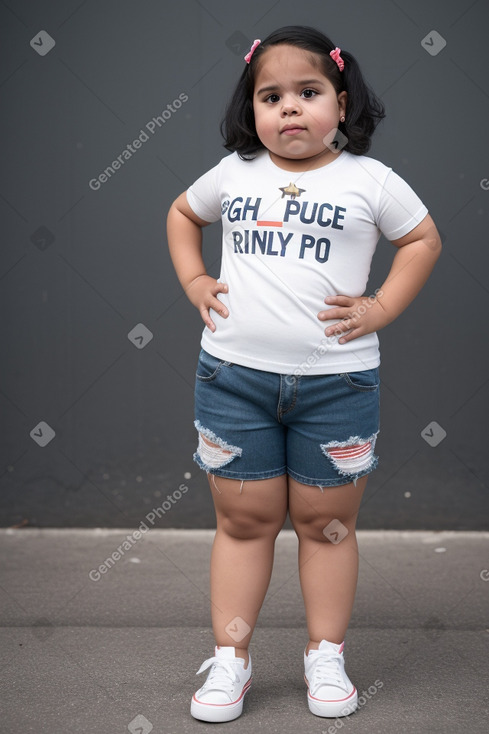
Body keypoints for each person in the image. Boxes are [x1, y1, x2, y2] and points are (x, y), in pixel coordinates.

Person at [167, 25, 442, 723]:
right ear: (251, 110)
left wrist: (379, 306)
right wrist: (197, 278)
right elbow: (181, 214)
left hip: (336, 387)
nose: (288, 109)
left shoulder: (367, 180)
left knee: (326, 526)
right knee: (242, 521)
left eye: (308, 92)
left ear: (341, 101)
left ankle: (326, 654)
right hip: (232, 379)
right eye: (271, 96)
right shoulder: (234, 173)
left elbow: (420, 239)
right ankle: (231, 658)